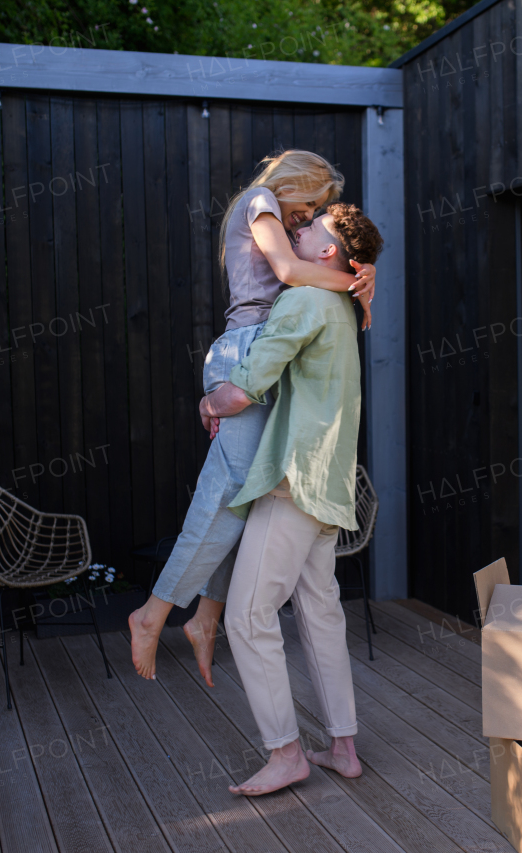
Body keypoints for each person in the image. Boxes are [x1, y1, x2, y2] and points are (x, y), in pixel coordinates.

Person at [129, 150, 375, 683]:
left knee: (247, 499)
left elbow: (303, 275)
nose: (308, 216)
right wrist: (354, 282)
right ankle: (152, 614)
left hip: (269, 353)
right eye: (309, 202)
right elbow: (288, 271)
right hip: (246, 351)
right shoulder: (260, 200)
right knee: (224, 494)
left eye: (316, 210)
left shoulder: (281, 216)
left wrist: (360, 273)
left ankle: (206, 617)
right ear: (291, 185)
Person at [199, 204, 383, 795]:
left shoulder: (305, 300)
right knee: (320, 612)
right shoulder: (345, 307)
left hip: (294, 479)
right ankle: (343, 746)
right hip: (329, 484)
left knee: (248, 617)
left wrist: (209, 402)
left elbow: (249, 382)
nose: (296, 231)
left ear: (328, 251)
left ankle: (286, 753)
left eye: (310, 229)